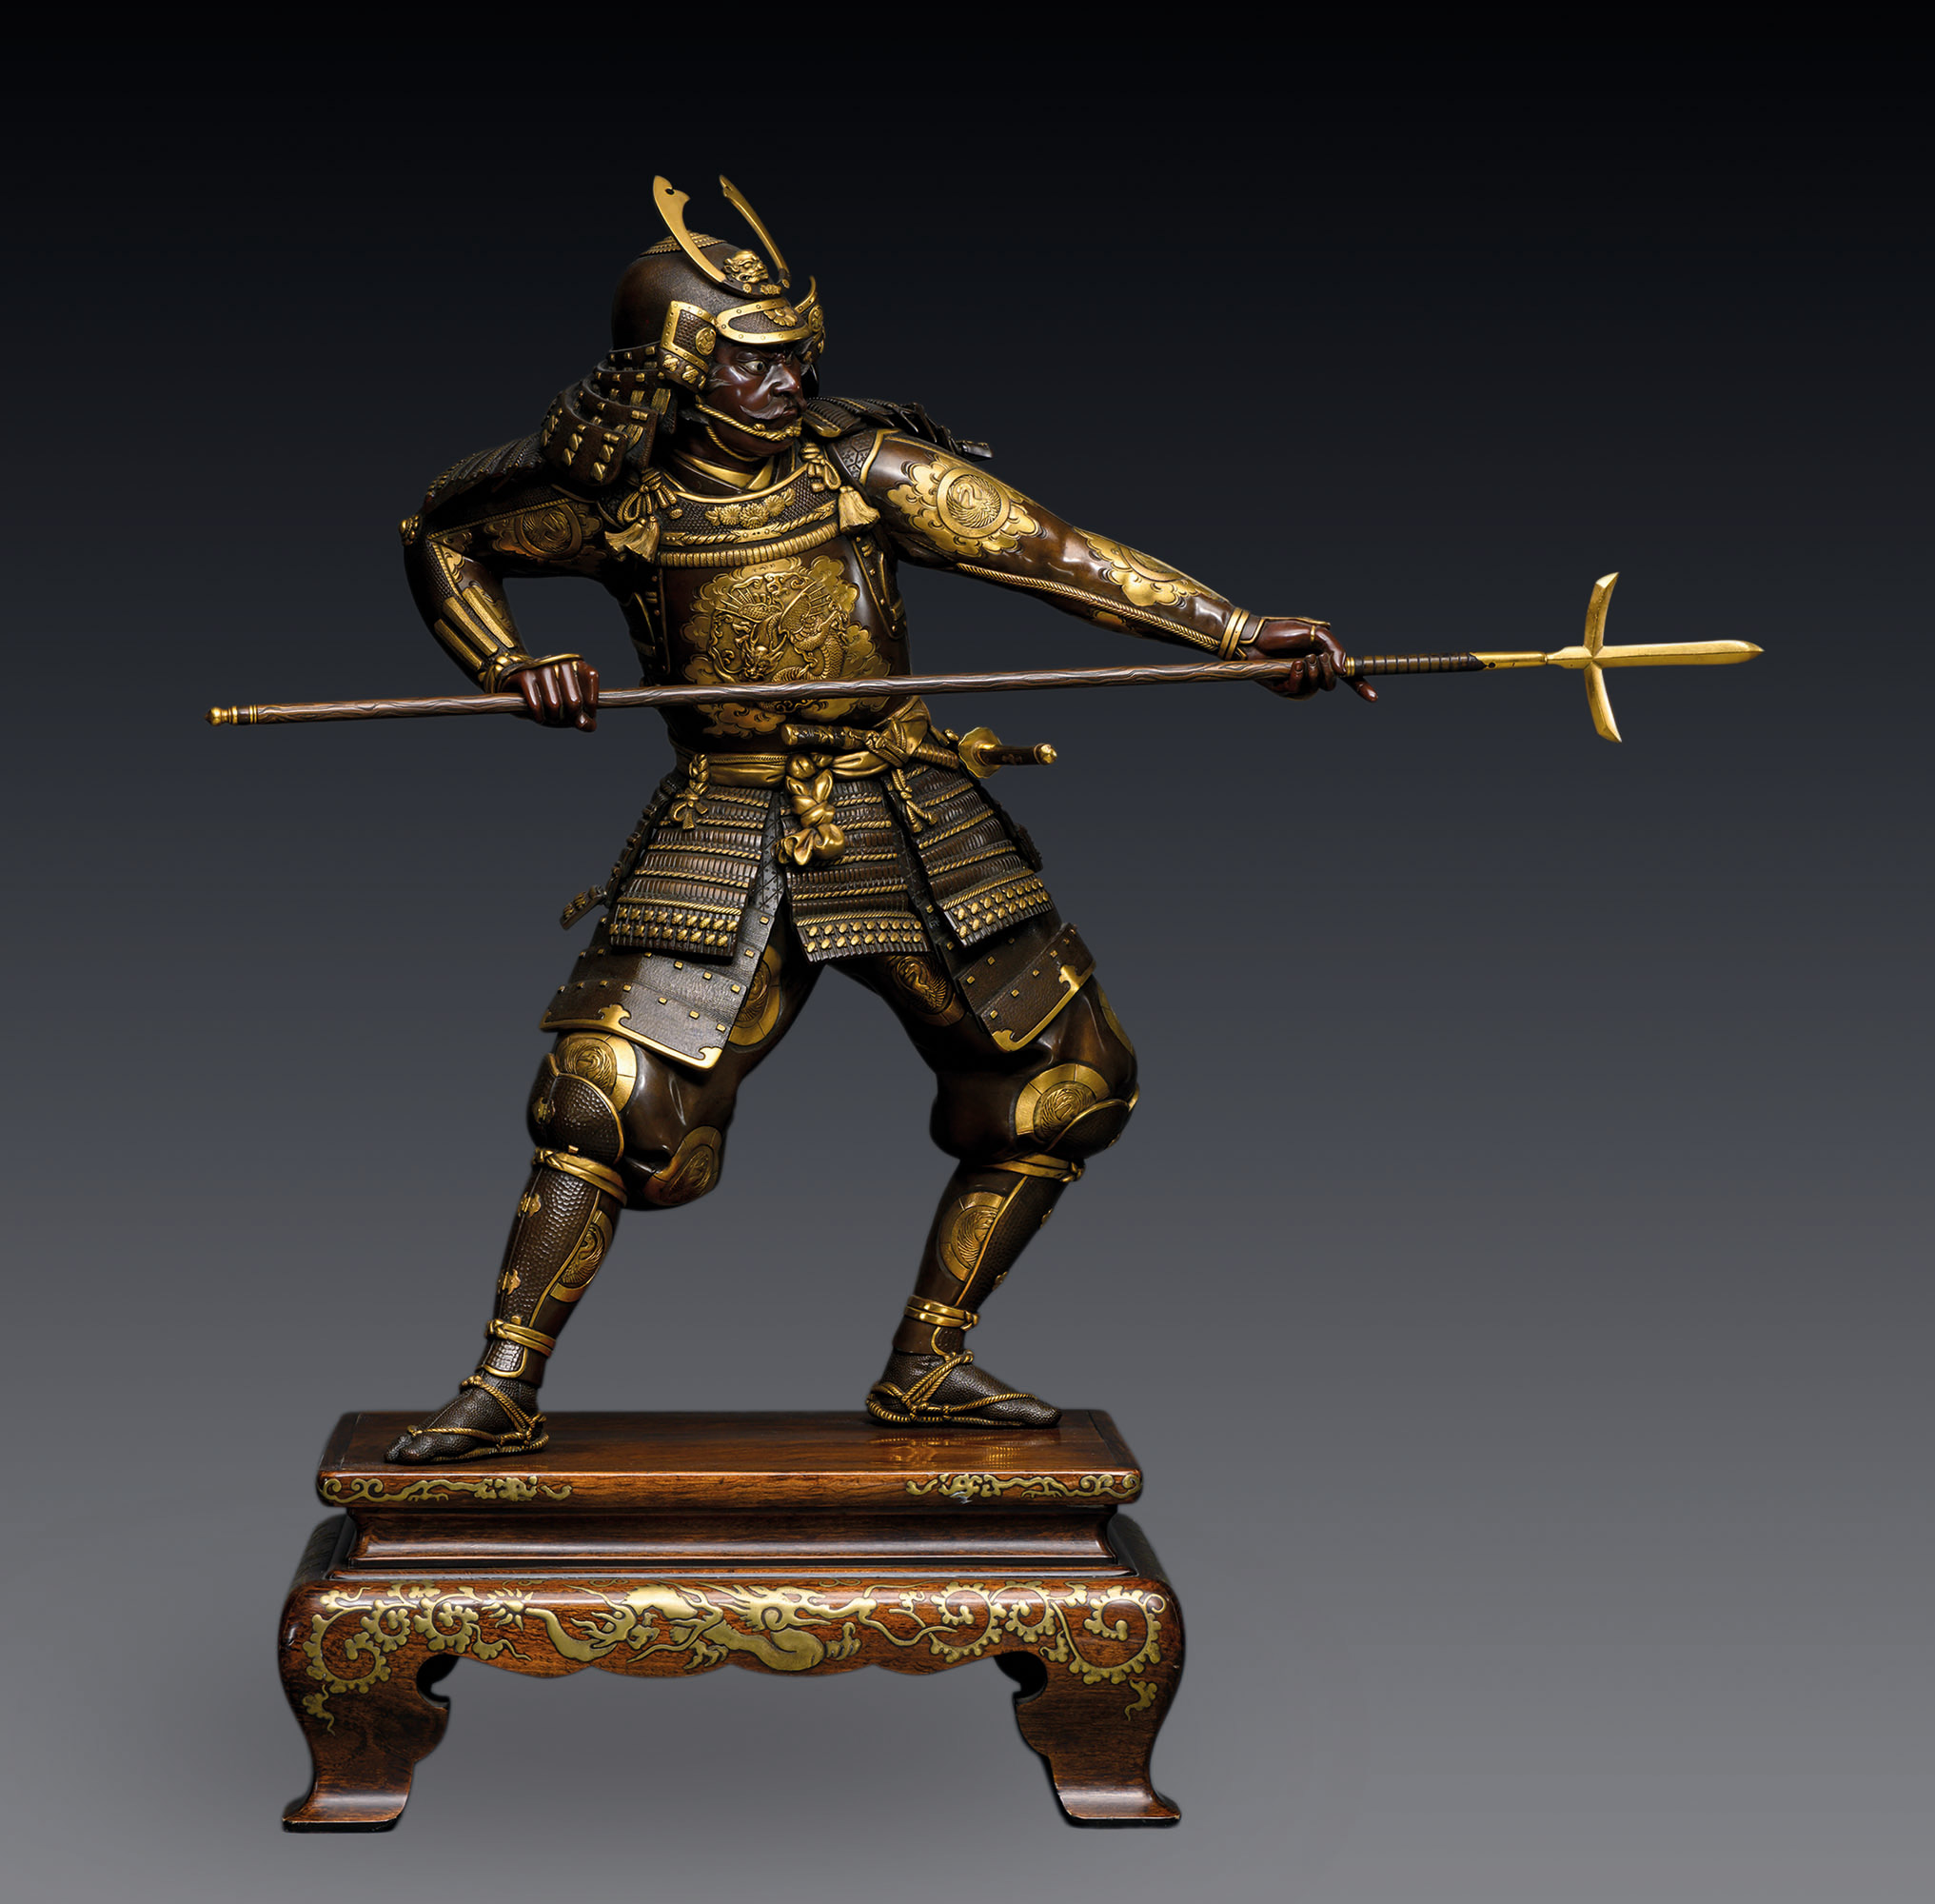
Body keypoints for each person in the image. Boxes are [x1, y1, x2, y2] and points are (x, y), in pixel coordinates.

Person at [386, 178, 1371, 1463]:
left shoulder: (864, 470)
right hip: (729, 811)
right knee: (603, 1104)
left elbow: (1060, 557)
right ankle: (501, 1386)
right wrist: (510, 664)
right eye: (749, 363)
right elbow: (441, 535)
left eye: (795, 353)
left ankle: (930, 1361)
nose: (787, 381)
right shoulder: (622, 501)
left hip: (902, 803)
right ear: (672, 370)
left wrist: (1236, 633)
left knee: (1066, 1083)